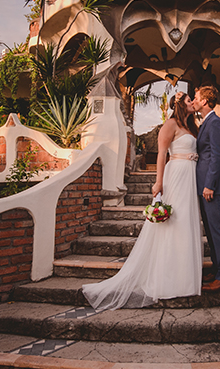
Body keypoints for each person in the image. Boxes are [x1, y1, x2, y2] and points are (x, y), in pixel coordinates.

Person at [81, 92, 202, 310]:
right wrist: (158, 183)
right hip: (175, 176)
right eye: (189, 100)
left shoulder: (193, 127)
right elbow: (161, 154)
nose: (192, 102)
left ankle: (185, 277)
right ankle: (166, 278)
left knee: (187, 224)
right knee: (173, 224)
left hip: (190, 178)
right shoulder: (170, 124)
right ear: (180, 104)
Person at [192, 84, 220, 291]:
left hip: (211, 187)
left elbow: (217, 156)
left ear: (205, 101)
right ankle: (218, 269)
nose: (194, 100)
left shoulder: (215, 123)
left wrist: (209, 185)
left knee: (217, 230)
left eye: (196, 97)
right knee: (210, 229)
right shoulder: (205, 122)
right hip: (203, 185)